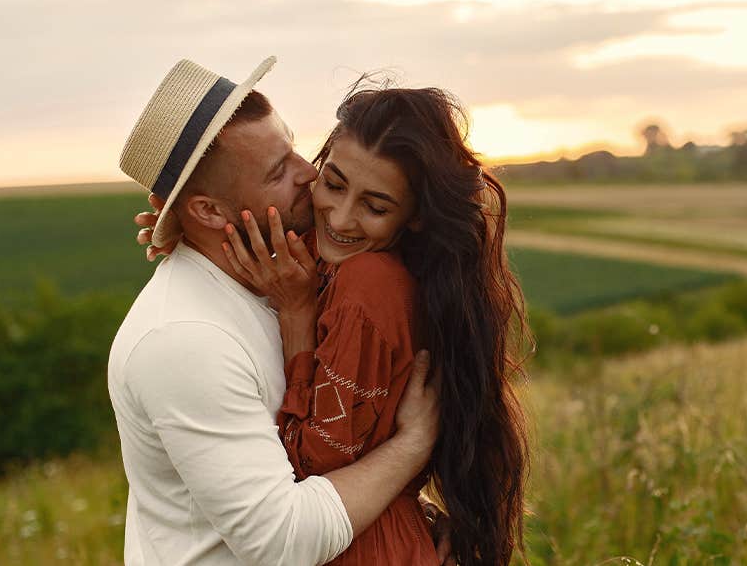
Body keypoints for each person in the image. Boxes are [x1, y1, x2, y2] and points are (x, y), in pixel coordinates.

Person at [109, 57, 445, 566]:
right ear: (209, 211)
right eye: (277, 170)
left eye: (292, 149)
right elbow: (282, 542)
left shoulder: (285, 271)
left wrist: (414, 517)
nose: (308, 173)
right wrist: (413, 445)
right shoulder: (183, 341)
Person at [201, 82, 531, 566]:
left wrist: (297, 319)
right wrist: (190, 235)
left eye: (375, 207)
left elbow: (312, 467)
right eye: (333, 183)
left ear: (415, 217)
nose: (339, 215)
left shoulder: (366, 285)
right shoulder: (332, 257)